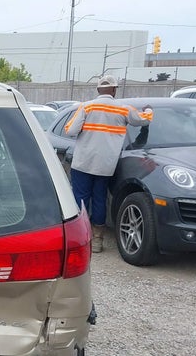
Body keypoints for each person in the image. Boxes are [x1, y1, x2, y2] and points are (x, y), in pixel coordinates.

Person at [65, 75, 153, 253]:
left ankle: (79, 239)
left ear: (98, 90)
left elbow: (70, 130)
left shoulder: (87, 106)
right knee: (99, 200)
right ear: (114, 90)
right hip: (105, 165)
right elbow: (144, 120)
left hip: (83, 162)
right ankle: (97, 241)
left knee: (80, 200)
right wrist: (149, 110)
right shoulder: (123, 109)